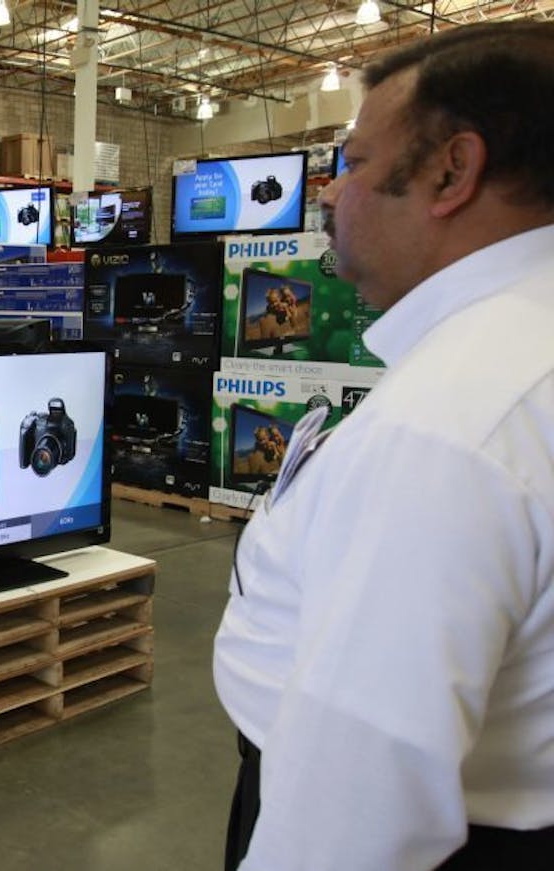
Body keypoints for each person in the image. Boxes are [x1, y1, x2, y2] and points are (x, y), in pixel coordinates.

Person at [214, 21, 554, 870]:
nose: (331, 194)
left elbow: (361, 798)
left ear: (451, 170)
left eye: (355, 164)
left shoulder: (451, 425)